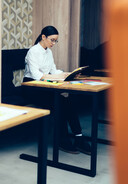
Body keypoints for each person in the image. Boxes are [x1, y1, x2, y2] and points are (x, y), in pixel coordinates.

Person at [23, 25, 91, 155]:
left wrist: (67, 74)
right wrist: (57, 76)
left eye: (55, 41)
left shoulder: (48, 51)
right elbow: (37, 76)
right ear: (43, 37)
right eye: (52, 40)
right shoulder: (33, 51)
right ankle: (62, 139)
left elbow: (53, 70)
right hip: (31, 87)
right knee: (59, 103)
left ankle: (79, 138)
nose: (53, 43)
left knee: (68, 102)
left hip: (43, 87)